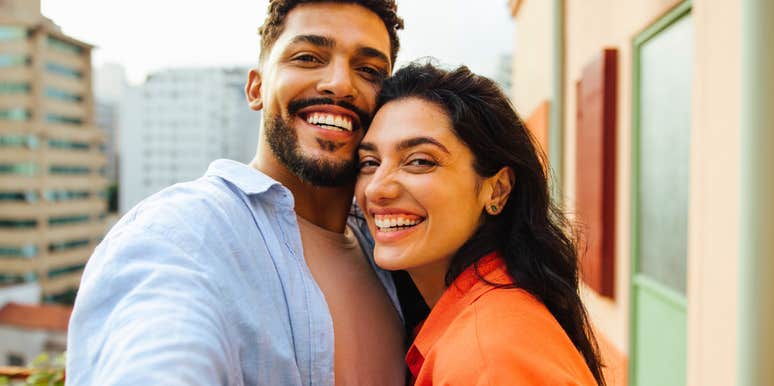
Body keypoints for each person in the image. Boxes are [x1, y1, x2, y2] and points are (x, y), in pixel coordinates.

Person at [66, 1, 407, 385]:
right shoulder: (181, 234)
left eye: (369, 70)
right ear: (256, 88)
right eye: (309, 57)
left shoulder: (394, 248)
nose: (341, 84)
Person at [355, 62, 606, 385]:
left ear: (497, 189)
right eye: (369, 163)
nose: (377, 187)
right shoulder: (473, 320)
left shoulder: (488, 358)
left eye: (419, 161)